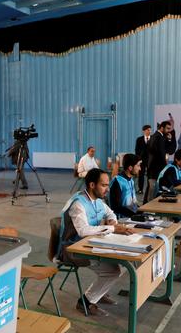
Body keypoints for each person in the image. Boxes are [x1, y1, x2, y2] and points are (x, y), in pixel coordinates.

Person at [58, 168, 135, 316]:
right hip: (73, 250)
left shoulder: (98, 201)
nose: (107, 188)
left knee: (121, 263)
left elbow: (110, 212)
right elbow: (83, 231)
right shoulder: (78, 204)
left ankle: (98, 293)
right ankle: (85, 302)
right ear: (92, 185)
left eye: (107, 185)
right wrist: (112, 228)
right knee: (113, 271)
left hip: (91, 245)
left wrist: (112, 220)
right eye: (104, 185)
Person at [145, 121, 176, 203]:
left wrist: (169, 140)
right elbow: (162, 153)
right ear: (161, 128)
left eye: (170, 129)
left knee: (152, 190)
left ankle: (148, 208)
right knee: (153, 190)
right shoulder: (157, 137)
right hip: (155, 169)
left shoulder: (159, 137)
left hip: (155, 168)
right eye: (167, 128)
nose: (169, 131)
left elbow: (169, 150)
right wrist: (165, 165)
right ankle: (149, 209)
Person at [108, 154, 141, 218]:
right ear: (130, 168)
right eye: (138, 166)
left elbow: (133, 203)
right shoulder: (117, 182)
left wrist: (141, 211)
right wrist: (135, 215)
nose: (140, 168)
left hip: (131, 217)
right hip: (121, 220)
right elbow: (115, 207)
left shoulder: (131, 180)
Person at [134, 125, 151, 194]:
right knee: (141, 175)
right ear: (144, 131)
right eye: (148, 130)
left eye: (150, 130)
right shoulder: (139, 139)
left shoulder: (153, 138)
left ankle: (149, 189)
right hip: (142, 160)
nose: (149, 131)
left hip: (150, 160)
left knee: (150, 175)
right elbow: (136, 150)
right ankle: (140, 189)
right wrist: (138, 159)